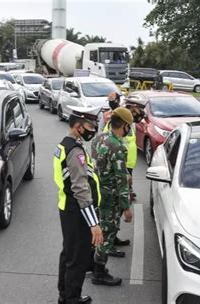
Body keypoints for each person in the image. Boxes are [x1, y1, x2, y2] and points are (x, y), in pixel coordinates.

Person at [53, 106, 104, 304]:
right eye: (89, 125)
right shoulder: (75, 151)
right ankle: (72, 299)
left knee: (68, 254)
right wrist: (94, 224)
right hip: (77, 211)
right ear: (77, 125)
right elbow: (81, 189)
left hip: (68, 207)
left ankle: (65, 295)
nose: (93, 128)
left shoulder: (65, 145)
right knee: (77, 258)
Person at [91, 107, 134, 286]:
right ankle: (99, 273)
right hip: (111, 198)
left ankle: (93, 265)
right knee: (106, 236)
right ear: (123, 125)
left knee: (102, 229)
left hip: (98, 193)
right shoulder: (118, 147)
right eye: (129, 127)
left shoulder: (99, 138)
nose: (129, 130)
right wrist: (126, 207)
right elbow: (121, 180)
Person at [100, 95, 147, 255]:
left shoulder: (103, 137)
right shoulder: (115, 138)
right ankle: (106, 249)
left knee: (110, 218)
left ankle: (112, 238)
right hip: (115, 176)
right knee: (110, 218)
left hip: (123, 168)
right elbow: (119, 181)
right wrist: (127, 207)